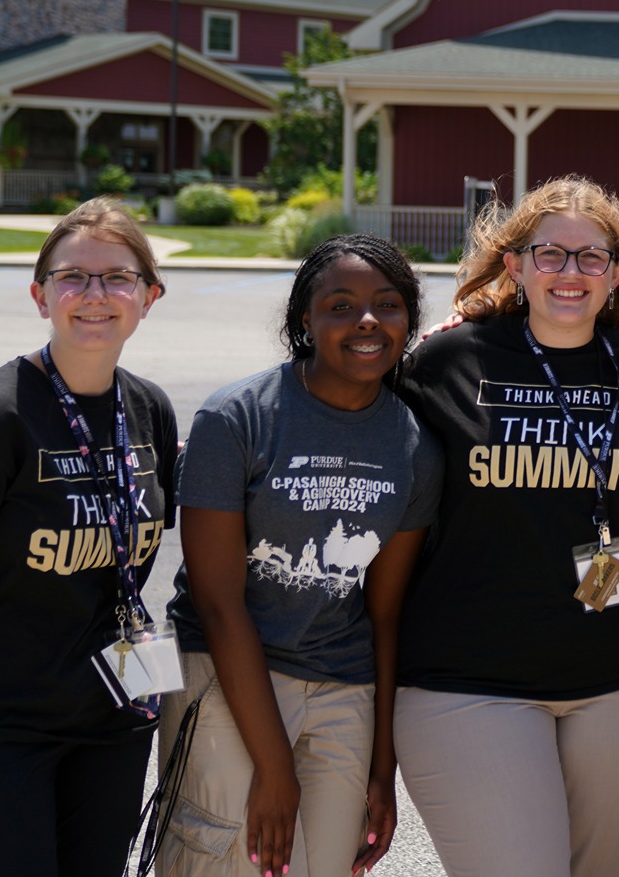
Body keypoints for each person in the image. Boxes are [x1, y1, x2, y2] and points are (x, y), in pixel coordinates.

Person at [388, 177, 619, 877]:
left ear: (618, 272)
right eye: (549, 254)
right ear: (514, 264)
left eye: (592, 257)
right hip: (468, 680)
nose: (570, 273)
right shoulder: (448, 361)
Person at [0, 198, 179, 876]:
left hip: (111, 723)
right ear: (39, 294)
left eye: (118, 277)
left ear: (149, 296)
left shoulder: (148, 411)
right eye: (72, 277)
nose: (94, 295)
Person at [157, 235, 440, 877]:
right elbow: (217, 602)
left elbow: (384, 615)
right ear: (304, 321)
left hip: (344, 690)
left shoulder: (415, 446)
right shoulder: (236, 419)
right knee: (225, 863)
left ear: (407, 322)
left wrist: (382, 767)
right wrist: (274, 766)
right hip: (229, 677)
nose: (366, 320)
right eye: (340, 305)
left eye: (387, 305)